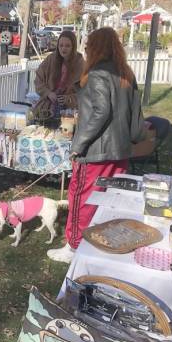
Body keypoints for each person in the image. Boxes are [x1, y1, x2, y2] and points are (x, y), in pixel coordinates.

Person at [47, 27, 146, 263]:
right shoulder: (125, 73)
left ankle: (74, 247)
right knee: (109, 199)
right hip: (118, 150)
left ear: (96, 47)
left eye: (89, 44)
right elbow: (135, 114)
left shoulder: (99, 73)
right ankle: (102, 241)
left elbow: (100, 112)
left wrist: (78, 144)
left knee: (81, 198)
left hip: (95, 152)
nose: (86, 48)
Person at [33, 30, 84, 117]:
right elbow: (38, 80)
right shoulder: (51, 59)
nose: (63, 49)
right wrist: (48, 93)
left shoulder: (80, 65)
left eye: (67, 46)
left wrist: (68, 99)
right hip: (46, 110)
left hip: (70, 113)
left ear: (73, 47)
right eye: (61, 45)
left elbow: (85, 94)